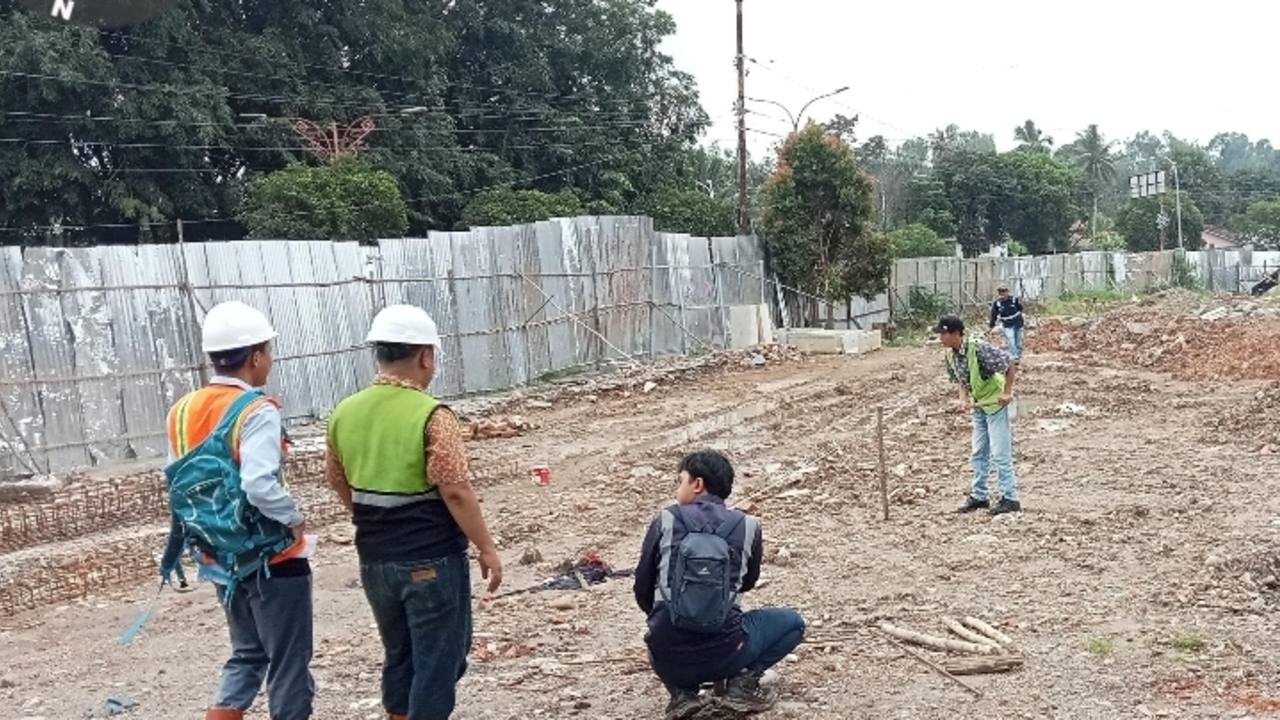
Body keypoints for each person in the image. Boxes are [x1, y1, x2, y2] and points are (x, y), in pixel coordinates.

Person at [326, 305, 504, 720]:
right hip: (431, 561)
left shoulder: (344, 412)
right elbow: (456, 490)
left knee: (400, 654)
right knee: (440, 662)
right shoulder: (432, 415)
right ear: (426, 356)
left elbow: (337, 479)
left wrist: (375, 521)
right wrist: (487, 547)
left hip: (375, 561)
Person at [161, 301, 313, 720]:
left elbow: (173, 477)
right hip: (272, 557)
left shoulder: (183, 409)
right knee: (288, 664)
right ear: (256, 355)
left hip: (218, 555)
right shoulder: (256, 410)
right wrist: (294, 518)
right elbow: (260, 484)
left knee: (246, 654)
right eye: (269, 351)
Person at [634, 450, 806, 720]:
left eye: (681, 481)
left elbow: (642, 586)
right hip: (727, 652)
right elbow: (746, 583)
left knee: (660, 624)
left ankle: (681, 695)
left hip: (668, 658)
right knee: (793, 622)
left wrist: (668, 619)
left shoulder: (665, 519)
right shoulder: (748, 526)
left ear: (697, 484)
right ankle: (741, 687)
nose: (678, 488)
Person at [936, 316, 1022, 516]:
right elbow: (961, 380)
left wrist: (1007, 392)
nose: (940, 338)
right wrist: (963, 400)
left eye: (943, 333)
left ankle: (1010, 498)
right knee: (979, 452)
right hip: (980, 406)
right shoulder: (951, 355)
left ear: (956, 334)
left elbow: (1009, 363)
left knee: (1000, 453)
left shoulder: (978, 348)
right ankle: (979, 496)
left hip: (995, 404)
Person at [988, 284, 1025, 362]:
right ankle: (1014, 357)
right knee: (1011, 340)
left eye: (1004, 291)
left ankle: (1018, 355)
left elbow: (1020, 308)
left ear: (1007, 292)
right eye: (1000, 291)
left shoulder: (1014, 300)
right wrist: (992, 325)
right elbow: (993, 315)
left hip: (1018, 323)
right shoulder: (997, 303)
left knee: (1019, 342)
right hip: (1007, 325)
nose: (1002, 293)